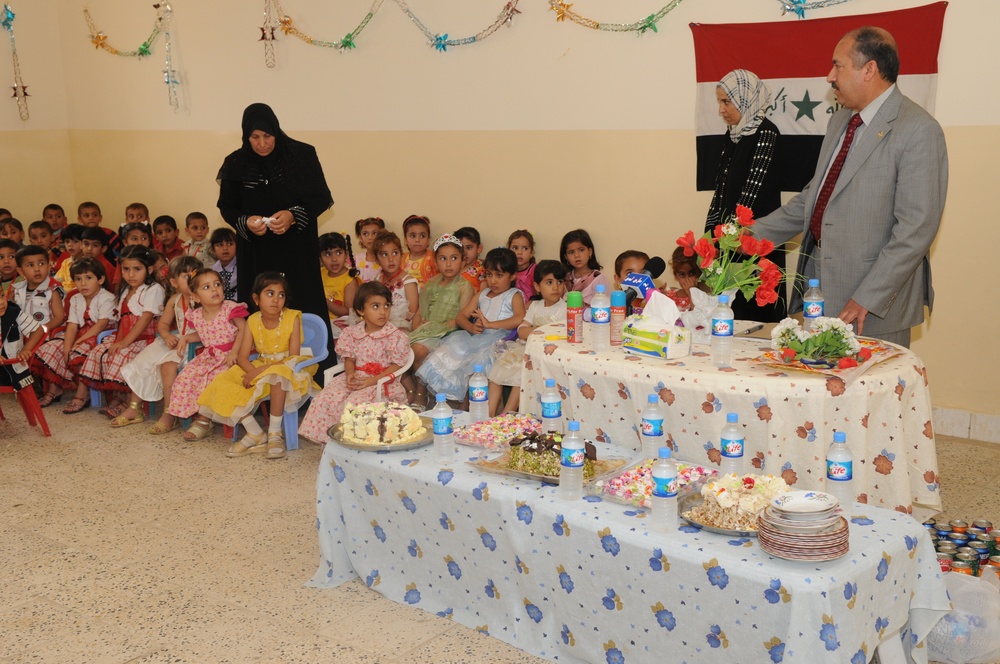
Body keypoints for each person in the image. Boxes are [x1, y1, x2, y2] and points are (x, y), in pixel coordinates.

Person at [755, 27, 947, 347]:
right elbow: (815, 197)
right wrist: (748, 237)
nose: (829, 76)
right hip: (819, 294)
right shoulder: (841, 120)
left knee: (867, 393)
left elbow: (915, 229)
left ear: (869, 69)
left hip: (872, 305)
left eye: (838, 66)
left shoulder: (918, 130)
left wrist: (867, 298)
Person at [216, 102, 335, 373]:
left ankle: (311, 376)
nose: (261, 143)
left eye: (267, 136)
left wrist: (293, 215)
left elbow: (321, 197)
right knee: (261, 308)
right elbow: (227, 206)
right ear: (246, 136)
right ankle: (259, 376)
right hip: (257, 251)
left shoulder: (302, 155)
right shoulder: (235, 163)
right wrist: (245, 222)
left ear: (276, 131)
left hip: (296, 249)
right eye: (254, 137)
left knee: (302, 303)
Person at [196, 272, 318, 460]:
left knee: (278, 375)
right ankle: (255, 433)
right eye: (270, 294)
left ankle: (274, 434)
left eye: (281, 295)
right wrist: (254, 373)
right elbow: (243, 357)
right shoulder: (252, 320)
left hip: (289, 365)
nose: (276, 300)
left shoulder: (293, 317)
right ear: (256, 298)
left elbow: (293, 356)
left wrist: (259, 372)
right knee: (222, 381)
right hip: (260, 364)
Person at [706, 69, 786, 322]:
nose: (721, 110)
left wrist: (731, 237)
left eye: (726, 101)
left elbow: (752, 192)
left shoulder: (766, 134)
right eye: (720, 102)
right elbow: (721, 191)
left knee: (755, 314)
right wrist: (710, 236)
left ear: (745, 99)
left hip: (755, 240)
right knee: (728, 313)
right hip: (730, 241)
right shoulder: (734, 135)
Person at [298, 282, 411, 444]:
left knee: (354, 405)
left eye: (386, 306)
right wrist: (350, 373)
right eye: (375, 306)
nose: (383, 312)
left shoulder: (394, 336)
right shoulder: (352, 333)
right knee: (326, 398)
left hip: (380, 381)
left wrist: (372, 380)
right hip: (357, 376)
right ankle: (331, 439)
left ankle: (353, 442)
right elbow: (349, 358)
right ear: (360, 310)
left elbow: (397, 365)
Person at [416, 247, 525, 401]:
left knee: (478, 363)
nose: (493, 280)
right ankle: (445, 398)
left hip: (500, 340)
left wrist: (490, 324)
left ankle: (470, 403)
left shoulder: (513, 295)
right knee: (447, 352)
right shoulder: (483, 294)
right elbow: (461, 316)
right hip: (476, 337)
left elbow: (519, 318)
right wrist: (471, 327)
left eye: (499, 275)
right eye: (489, 274)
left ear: (513, 275)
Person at [74, 245, 164, 422]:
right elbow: (123, 320)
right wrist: (119, 340)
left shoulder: (153, 289)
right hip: (124, 336)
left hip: (146, 339)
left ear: (150, 269)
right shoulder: (124, 290)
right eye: (126, 269)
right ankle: (117, 397)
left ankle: (129, 402)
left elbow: (145, 320)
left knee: (123, 355)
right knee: (99, 352)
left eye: (137, 269)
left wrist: (125, 342)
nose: (131, 275)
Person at [118, 256, 202, 433]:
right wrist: (165, 336)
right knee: (142, 361)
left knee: (168, 367)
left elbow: (210, 328)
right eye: (186, 276)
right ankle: (135, 407)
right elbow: (163, 325)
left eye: (195, 275)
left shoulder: (202, 300)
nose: (192, 280)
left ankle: (170, 413)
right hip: (175, 339)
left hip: (197, 344)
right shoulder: (175, 300)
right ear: (174, 282)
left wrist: (186, 339)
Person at [168, 268, 249, 441]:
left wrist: (234, 352)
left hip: (232, 355)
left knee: (214, 379)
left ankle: (203, 421)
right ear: (196, 297)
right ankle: (196, 414)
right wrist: (187, 338)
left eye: (217, 284)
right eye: (206, 287)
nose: (214, 290)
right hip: (210, 357)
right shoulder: (196, 315)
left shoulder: (230, 308)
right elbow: (204, 333)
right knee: (187, 377)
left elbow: (244, 329)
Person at [402, 234, 475, 409]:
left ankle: (421, 392)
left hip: (451, 333)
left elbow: (460, 318)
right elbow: (420, 311)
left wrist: (432, 329)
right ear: (435, 261)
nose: (448, 264)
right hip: (427, 330)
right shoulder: (431, 284)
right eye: (443, 259)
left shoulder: (465, 286)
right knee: (403, 347)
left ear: (462, 260)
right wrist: (418, 326)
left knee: (418, 350)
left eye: (454, 258)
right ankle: (421, 391)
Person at [31, 258, 115, 410]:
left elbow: (101, 324)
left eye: (88, 278)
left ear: (101, 279)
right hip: (80, 334)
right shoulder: (76, 298)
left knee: (79, 353)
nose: (83, 283)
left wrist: (78, 342)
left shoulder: (107, 298)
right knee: (50, 348)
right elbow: (72, 325)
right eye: (78, 279)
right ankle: (54, 389)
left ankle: (82, 395)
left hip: (101, 336)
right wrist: (66, 347)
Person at [488, 260, 566, 415]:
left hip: (544, 354)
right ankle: (488, 414)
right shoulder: (535, 307)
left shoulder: (565, 309)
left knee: (521, 375)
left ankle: (506, 414)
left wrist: (532, 331)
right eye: (549, 282)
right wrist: (537, 331)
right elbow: (522, 330)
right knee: (498, 371)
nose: (556, 287)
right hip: (524, 348)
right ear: (537, 287)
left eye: (560, 282)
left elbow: (558, 336)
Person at [374, 231, 419, 331]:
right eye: (384, 255)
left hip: (402, 327)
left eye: (395, 253)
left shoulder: (408, 282)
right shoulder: (377, 280)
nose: (390, 259)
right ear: (377, 260)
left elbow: (412, 314)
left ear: (401, 255)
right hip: (380, 323)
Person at [319, 232, 360, 330]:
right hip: (322, 322)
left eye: (338, 253)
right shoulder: (320, 273)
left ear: (346, 254)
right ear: (320, 259)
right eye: (327, 254)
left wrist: (326, 303)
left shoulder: (350, 280)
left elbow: (348, 311)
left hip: (343, 327)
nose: (334, 259)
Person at [560, 229, 609, 307]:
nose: (577, 255)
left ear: (590, 252)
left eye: (581, 250)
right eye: (571, 252)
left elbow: (603, 308)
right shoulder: (564, 279)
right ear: (566, 257)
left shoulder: (598, 278)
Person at [662, 246, 704, 312]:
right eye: (682, 275)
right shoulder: (670, 294)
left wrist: (691, 294)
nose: (687, 279)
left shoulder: (704, 298)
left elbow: (698, 316)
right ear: (676, 275)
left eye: (692, 273)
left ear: (699, 273)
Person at [401, 214, 437, 287]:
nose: (417, 240)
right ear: (405, 240)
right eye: (413, 236)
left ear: (428, 240)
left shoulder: (434, 258)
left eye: (422, 236)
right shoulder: (401, 258)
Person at [209, 227, 238, 302]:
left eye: (230, 244)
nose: (225, 248)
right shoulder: (213, 270)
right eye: (220, 245)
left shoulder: (242, 266)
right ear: (213, 249)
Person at [353, 217, 385, 283]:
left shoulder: (386, 259)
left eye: (375, 233)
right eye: (365, 234)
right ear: (360, 238)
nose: (370, 237)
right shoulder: (355, 260)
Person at [508, 230, 537, 302]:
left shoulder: (535, 270)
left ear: (531, 253)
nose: (519, 252)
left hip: (531, 307)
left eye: (525, 248)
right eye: (515, 248)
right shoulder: (506, 271)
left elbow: (539, 296)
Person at [55, 224, 85, 292]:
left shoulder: (88, 263)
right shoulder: (66, 262)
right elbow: (57, 280)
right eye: (67, 241)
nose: (70, 245)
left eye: (75, 241)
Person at [455, 226, 484, 291]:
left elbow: (483, 295)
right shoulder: (453, 266)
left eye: (469, 248)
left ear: (479, 248)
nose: (464, 252)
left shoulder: (482, 269)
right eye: (460, 248)